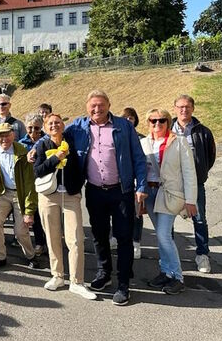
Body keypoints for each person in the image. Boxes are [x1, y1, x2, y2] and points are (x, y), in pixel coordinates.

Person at [64, 90, 147, 306]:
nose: (97, 109)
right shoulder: (78, 126)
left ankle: (123, 284)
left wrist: (142, 186)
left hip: (121, 191)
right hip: (94, 190)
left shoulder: (123, 126)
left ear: (109, 105)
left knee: (123, 237)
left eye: (101, 105)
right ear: (86, 107)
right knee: (99, 235)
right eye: (93, 105)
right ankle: (104, 273)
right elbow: (53, 134)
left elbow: (138, 157)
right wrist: (34, 147)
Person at [34, 114, 96, 300]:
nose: (54, 125)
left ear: (63, 125)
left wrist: (77, 186)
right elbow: (37, 171)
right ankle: (57, 276)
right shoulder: (42, 145)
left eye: (57, 122)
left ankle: (77, 282)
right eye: (50, 123)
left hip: (70, 195)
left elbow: (82, 165)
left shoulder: (72, 143)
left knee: (76, 238)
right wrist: (56, 159)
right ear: (45, 128)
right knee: (52, 237)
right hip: (48, 195)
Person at [140, 108, 197, 295]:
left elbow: (189, 173)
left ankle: (178, 277)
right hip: (150, 193)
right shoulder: (143, 143)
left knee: (164, 235)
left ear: (168, 122)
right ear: (148, 123)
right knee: (160, 236)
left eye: (161, 120)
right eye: (153, 121)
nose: (157, 124)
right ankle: (166, 271)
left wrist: (190, 200)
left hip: (169, 194)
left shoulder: (179, 142)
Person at [0, 123, 39, 271]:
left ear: (13, 135)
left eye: (7, 135)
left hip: (20, 193)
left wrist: (29, 211)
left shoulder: (22, 152)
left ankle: (31, 255)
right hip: (3, 193)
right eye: (1, 135)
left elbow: (29, 184)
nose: (4, 139)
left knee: (21, 231)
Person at [171, 94, 216, 274]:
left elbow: (210, 156)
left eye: (187, 107)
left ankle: (202, 254)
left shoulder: (203, 131)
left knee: (199, 219)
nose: (184, 110)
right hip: (172, 185)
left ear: (193, 109)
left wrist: (200, 172)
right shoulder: (167, 129)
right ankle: (171, 255)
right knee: (169, 221)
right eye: (180, 107)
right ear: (175, 109)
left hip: (195, 184)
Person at [19, 113, 47, 256]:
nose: (33, 132)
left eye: (36, 128)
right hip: (29, 183)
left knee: (46, 215)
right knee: (33, 214)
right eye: (30, 128)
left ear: (41, 127)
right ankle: (39, 243)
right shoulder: (21, 143)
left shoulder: (47, 140)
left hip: (45, 182)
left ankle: (48, 241)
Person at [120, 107, 145, 259]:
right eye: (126, 118)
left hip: (136, 179)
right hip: (121, 180)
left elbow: (142, 160)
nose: (129, 120)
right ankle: (116, 237)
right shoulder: (118, 135)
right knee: (119, 211)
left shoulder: (141, 138)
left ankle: (136, 242)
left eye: (131, 118)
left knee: (137, 213)